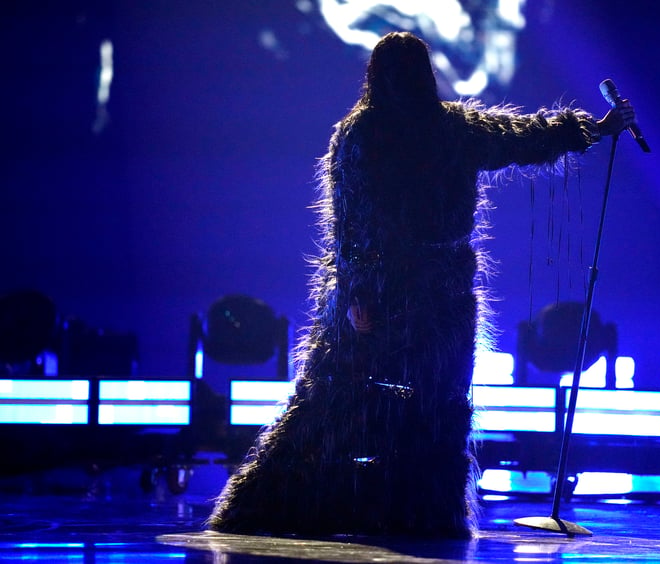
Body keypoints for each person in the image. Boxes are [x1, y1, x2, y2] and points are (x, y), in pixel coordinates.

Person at [208, 31, 635, 538]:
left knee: (435, 404)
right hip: (397, 290)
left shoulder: (435, 129)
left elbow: (520, 137)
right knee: (347, 399)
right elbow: (352, 223)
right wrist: (356, 295)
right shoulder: (369, 134)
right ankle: (290, 503)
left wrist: (593, 129)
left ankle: (424, 514)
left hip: (431, 290)